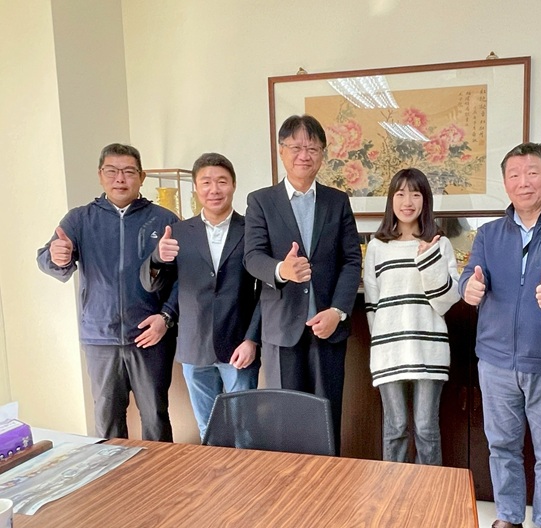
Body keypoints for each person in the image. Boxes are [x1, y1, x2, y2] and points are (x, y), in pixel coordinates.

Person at [458, 142, 541, 528]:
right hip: (496, 362)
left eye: (532, 173)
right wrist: (468, 287)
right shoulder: (488, 234)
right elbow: (470, 274)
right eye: (514, 175)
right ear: (505, 182)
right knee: (502, 446)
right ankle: (508, 517)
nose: (524, 182)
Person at [37, 143, 178, 441]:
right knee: (107, 421)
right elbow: (48, 259)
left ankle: (163, 471)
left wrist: (166, 317)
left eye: (129, 172)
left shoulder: (164, 220)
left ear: (141, 177)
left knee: (155, 416)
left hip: (150, 337)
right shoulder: (79, 219)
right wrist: (57, 257)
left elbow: (184, 280)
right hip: (100, 337)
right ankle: (113, 471)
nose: (120, 179)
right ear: (100, 175)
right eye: (111, 171)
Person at [244, 114, 361, 454]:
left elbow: (351, 259)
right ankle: (288, 484)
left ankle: (328, 484)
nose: (304, 155)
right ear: (281, 151)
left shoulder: (337, 201)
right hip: (281, 329)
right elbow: (252, 257)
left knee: (326, 418)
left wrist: (338, 311)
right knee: (285, 421)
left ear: (323, 154)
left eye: (312, 148)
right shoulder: (261, 201)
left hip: (327, 328)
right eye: (296, 147)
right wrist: (282, 269)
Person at [140, 153, 261, 440]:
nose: (214, 189)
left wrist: (252, 339)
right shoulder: (179, 232)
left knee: (245, 430)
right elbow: (154, 284)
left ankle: (245, 472)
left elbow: (265, 292)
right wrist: (157, 258)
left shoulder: (253, 230)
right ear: (195, 188)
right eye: (206, 182)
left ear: (233, 185)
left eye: (222, 181)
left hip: (239, 345)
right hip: (194, 347)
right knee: (208, 429)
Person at [363, 168, 460, 465]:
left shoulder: (440, 243)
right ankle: (393, 488)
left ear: (425, 200)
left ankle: (430, 488)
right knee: (395, 428)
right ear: (391, 199)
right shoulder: (377, 246)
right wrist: (381, 342)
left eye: (416, 194)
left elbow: (446, 300)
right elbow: (372, 302)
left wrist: (428, 259)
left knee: (426, 427)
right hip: (389, 349)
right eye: (401, 194)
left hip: (429, 346)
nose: (408, 201)